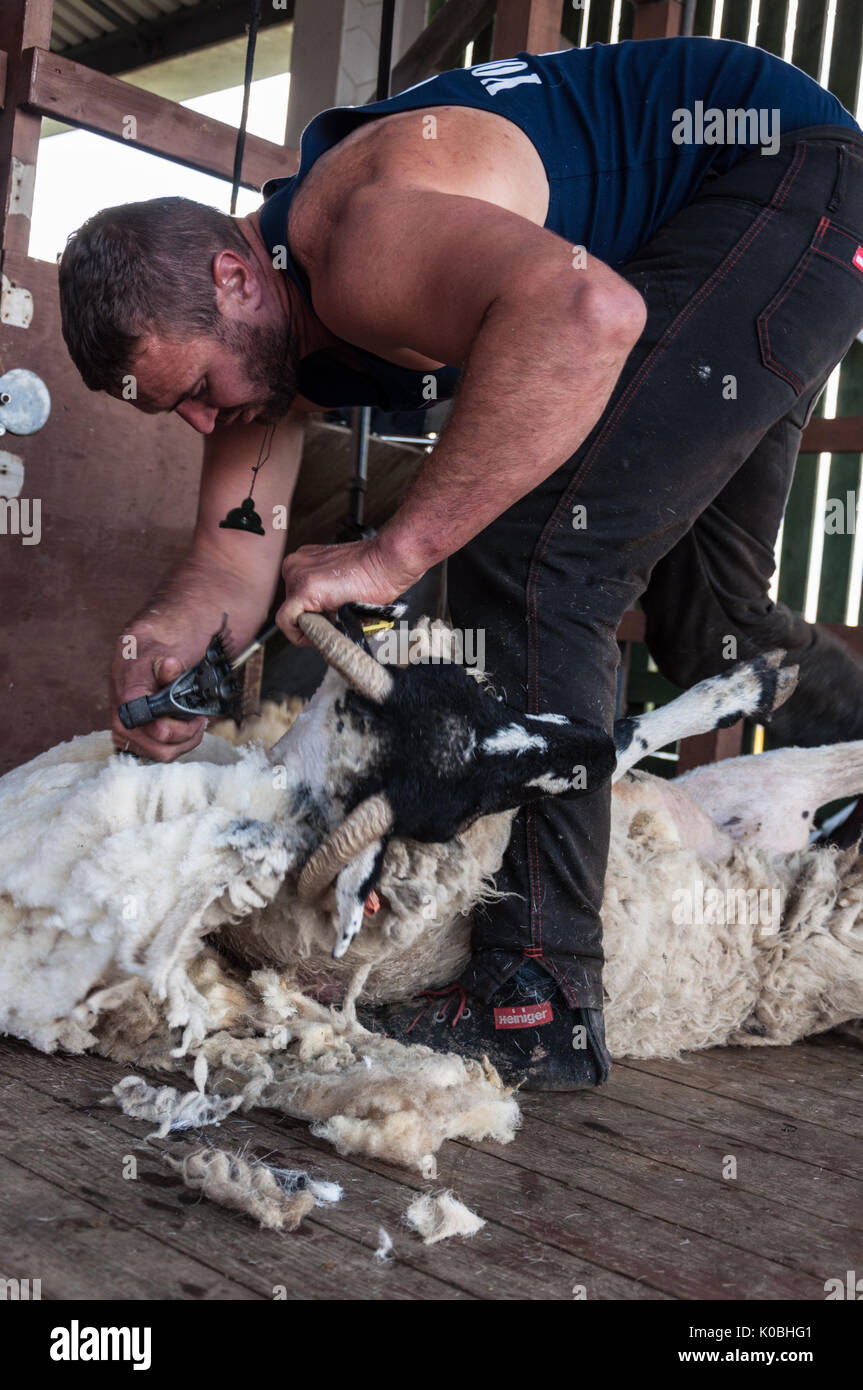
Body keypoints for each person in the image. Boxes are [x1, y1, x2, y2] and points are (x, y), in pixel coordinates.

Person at [59, 37, 863, 1089]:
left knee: (534, 552)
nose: (208, 418)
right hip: (753, 222)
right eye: (179, 411)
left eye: (198, 386)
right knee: (707, 615)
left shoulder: (354, 243)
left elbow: (586, 314)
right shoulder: (264, 342)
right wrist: (169, 644)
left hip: (772, 177)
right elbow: (228, 558)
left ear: (232, 276)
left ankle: (538, 993)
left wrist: (394, 552)